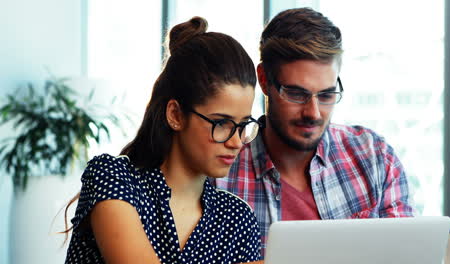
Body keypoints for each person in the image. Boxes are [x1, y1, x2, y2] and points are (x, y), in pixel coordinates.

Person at [213, 7, 415, 256]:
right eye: (297, 94)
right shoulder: (221, 178)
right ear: (264, 80)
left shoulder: (375, 159)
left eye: (327, 95)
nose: (314, 113)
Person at [64, 16, 263, 264]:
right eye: (221, 123)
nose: (236, 142)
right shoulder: (113, 178)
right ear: (176, 115)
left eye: (243, 125)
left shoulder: (237, 218)